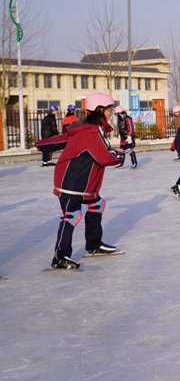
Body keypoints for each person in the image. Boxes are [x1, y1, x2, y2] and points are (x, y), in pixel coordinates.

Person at [40, 93, 124, 269]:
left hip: (85, 182)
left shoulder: (93, 129)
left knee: (97, 204)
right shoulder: (92, 132)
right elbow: (105, 158)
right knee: (72, 215)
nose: (111, 113)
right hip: (72, 181)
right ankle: (60, 257)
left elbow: (65, 138)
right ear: (100, 110)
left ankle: (93, 244)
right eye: (109, 109)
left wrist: (42, 143)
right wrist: (119, 155)